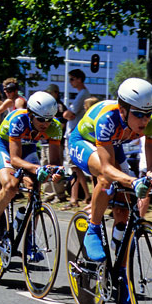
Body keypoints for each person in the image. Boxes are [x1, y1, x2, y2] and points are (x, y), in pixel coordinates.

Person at [68, 78, 152, 264]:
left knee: (125, 201)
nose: (144, 120)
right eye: (138, 114)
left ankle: (119, 249)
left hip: (114, 143)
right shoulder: (108, 119)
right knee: (106, 179)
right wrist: (132, 181)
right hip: (83, 141)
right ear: (123, 110)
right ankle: (93, 228)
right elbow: (106, 168)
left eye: (148, 113)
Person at [0, 91, 63, 253]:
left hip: (28, 148)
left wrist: (54, 171)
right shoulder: (19, 120)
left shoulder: (55, 127)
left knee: (35, 189)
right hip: (4, 146)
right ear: (31, 114)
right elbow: (15, 160)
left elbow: (54, 161)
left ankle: (29, 237)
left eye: (49, 120)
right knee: (11, 185)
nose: (45, 124)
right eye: (40, 119)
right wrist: (37, 168)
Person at [62, 69, 91, 210]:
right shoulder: (82, 94)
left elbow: (69, 113)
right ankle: (86, 195)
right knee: (77, 168)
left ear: (79, 79)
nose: (70, 82)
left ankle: (74, 199)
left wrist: (67, 113)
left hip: (73, 135)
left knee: (73, 168)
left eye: (72, 79)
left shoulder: (82, 94)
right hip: (75, 134)